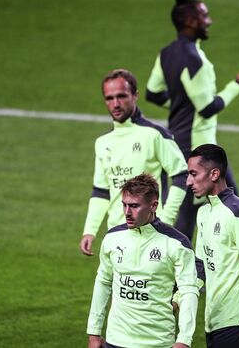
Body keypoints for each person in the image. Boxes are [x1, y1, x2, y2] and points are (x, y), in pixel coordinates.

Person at [146, 0, 239, 240]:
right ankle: (236, 268)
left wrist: (180, 106)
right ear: (191, 21)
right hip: (200, 152)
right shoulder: (195, 60)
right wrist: (238, 84)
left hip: (177, 146)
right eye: (204, 16)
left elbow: (153, 93)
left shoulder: (167, 53)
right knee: (232, 208)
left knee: (186, 215)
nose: (209, 21)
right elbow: (207, 108)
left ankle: (178, 273)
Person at [79, 69, 188, 256]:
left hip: (152, 235)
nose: (115, 104)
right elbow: (101, 190)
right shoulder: (103, 142)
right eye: (109, 98)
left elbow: (181, 175)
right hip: (117, 236)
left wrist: (166, 219)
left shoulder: (155, 134)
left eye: (121, 96)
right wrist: (90, 230)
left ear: (135, 95)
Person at [85, 174, 199, 348]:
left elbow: (189, 291)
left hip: (157, 342)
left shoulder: (177, 243)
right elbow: (103, 282)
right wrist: (94, 332)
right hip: (116, 340)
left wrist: (184, 339)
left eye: (134, 206)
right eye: (124, 205)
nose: (127, 212)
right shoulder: (112, 238)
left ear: (153, 205)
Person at [187, 144, 239, 348]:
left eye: (194, 174)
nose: (189, 182)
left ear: (214, 174)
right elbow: (201, 267)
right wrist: (180, 298)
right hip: (213, 320)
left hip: (236, 322)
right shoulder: (203, 213)